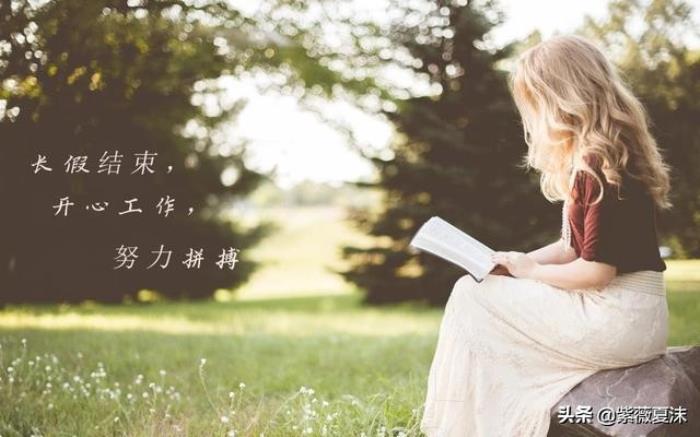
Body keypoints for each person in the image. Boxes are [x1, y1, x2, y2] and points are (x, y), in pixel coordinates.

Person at [419, 34, 673, 437]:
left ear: (562, 98)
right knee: (478, 288)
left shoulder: (599, 165)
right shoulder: (606, 155)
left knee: (470, 295)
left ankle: (465, 426)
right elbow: (571, 248)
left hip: (618, 318)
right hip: (632, 316)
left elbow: (595, 272)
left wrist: (531, 272)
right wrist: (512, 262)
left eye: (536, 101)